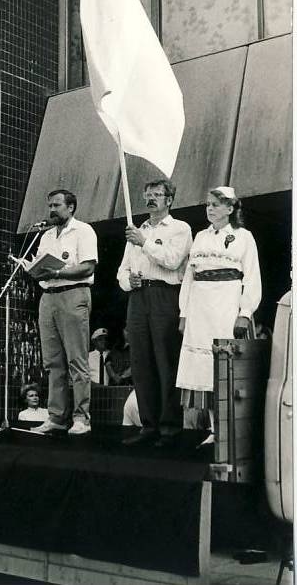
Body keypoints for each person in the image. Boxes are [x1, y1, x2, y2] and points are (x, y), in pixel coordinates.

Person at [176, 186, 262, 445]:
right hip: (200, 310)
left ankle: (235, 432)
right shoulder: (200, 236)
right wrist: (184, 313)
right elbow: (189, 278)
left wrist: (245, 312)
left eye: (215, 204)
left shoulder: (243, 236)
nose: (210, 208)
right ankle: (215, 430)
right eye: (208, 204)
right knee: (205, 370)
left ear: (230, 208)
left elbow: (252, 276)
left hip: (227, 306)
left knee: (229, 367)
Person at [117, 179, 192, 447]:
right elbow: (122, 271)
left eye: (157, 195)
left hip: (164, 295)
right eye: (147, 194)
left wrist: (145, 242)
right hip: (138, 298)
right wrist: (129, 282)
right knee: (141, 361)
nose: (151, 199)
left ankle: (170, 427)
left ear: (169, 199)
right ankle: (148, 425)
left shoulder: (179, 228)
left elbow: (172, 261)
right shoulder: (138, 230)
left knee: (165, 360)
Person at [28, 189, 98, 436]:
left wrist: (57, 273)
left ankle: (81, 418)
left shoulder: (84, 230)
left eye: (57, 205)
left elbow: (87, 266)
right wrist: (33, 269)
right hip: (48, 298)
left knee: (77, 360)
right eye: (50, 205)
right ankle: (56, 416)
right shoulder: (46, 236)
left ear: (71, 207)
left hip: (73, 293)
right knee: (52, 362)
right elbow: (40, 265)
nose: (52, 210)